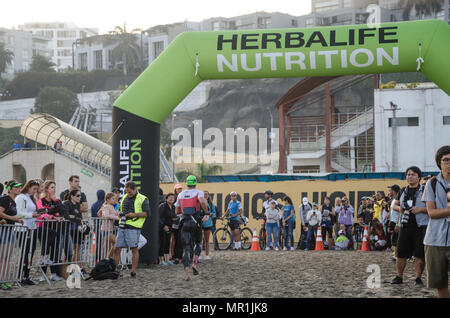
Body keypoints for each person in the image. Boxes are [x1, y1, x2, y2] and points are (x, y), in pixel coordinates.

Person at [391, 166, 429, 286]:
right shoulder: (403, 190)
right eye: (408, 174)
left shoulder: (426, 190)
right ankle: (399, 276)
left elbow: (433, 207)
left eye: (412, 174)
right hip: (405, 226)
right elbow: (394, 206)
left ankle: (418, 278)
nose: (410, 177)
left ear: (418, 176)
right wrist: (400, 209)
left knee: (419, 254)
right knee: (400, 253)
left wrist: (421, 209)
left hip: (421, 226)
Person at [422, 145, 450, 298]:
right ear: (439, 163)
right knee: (439, 283)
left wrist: (443, 211)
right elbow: (431, 213)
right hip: (435, 239)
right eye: (445, 160)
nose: (449, 163)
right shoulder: (431, 184)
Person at [112, 181, 149, 279]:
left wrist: (134, 215)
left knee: (134, 249)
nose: (128, 194)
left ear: (135, 189)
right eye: (126, 192)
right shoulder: (124, 197)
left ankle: (133, 272)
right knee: (116, 249)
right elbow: (121, 209)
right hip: (122, 226)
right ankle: (115, 271)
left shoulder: (143, 198)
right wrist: (119, 213)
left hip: (133, 227)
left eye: (130, 192)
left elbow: (146, 214)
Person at [174, 175, 208, 281]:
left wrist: (185, 210)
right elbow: (202, 202)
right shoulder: (199, 192)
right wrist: (206, 212)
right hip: (196, 222)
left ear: (187, 184)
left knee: (186, 248)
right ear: (195, 183)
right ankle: (195, 264)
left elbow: (177, 211)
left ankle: (187, 274)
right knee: (198, 243)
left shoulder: (181, 194)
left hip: (185, 222)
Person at [36, 180, 65, 282]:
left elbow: (64, 212)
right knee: (45, 251)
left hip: (56, 229)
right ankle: (43, 275)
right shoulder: (41, 200)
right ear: (47, 189)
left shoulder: (56, 200)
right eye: (52, 187)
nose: (54, 189)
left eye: (55, 187)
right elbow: (42, 213)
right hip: (44, 229)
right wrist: (54, 216)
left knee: (55, 252)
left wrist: (56, 201)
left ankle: (54, 274)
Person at [15, 180, 41, 285]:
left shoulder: (31, 198)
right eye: (34, 189)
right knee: (25, 252)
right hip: (22, 229)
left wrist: (37, 214)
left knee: (31, 251)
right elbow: (18, 213)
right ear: (28, 187)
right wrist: (32, 215)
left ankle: (26, 276)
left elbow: (31, 212)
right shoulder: (21, 197)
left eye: (36, 189)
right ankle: (19, 277)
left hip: (32, 228)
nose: (35, 191)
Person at [0, 181, 24, 290]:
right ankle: (1, 281)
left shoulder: (12, 201)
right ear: (10, 189)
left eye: (20, 187)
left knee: (7, 257)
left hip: (9, 230)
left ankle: (4, 280)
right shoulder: (5, 199)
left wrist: (17, 219)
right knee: (3, 257)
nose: (19, 188)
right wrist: (13, 218)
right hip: (4, 231)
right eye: (17, 187)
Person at [61, 189, 88, 275]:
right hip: (69, 229)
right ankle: (65, 269)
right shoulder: (67, 203)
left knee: (77, 249)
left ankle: (76, 268)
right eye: (78, 195)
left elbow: (78, 217)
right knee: (69, 251)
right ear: (72, 196)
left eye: (80, 195)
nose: (80, 197)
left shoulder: (77, 205)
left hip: (78, 229)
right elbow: (66, 216)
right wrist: (75, 218)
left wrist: (76, 219)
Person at [98, 192, 119, 259]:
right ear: (108, 199)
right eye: (113, 199)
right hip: (105, 230)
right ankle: (104, 260)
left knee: (108, 247)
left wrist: (119, 214)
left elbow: (114, 214)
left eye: (114, 199)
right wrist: (117, 217)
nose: (114, 200)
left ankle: (107, 259)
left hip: (110, 230)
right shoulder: (106, 206)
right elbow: (106, 215)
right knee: (113, 244)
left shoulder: (111, 206)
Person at [158, 193, 176, 265]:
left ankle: (167, 260)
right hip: (162, 227)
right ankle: (161, 260)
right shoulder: (162, 206)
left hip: (170, 227)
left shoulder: (173, 207)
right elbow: (158, 217)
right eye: (170, 197)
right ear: (166, 198)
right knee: (162, 243)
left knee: (167, 243)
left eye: (173, 198)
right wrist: (163, 226)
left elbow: (173, 216)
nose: (172, 199)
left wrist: (175, 218)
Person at [387, 185, 401, 261]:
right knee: (394, 239)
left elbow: (400, 213)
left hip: (396, 222)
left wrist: (397, 224)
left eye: (390, 190)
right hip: (393, 221)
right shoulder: (393, 200)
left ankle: (397, 255)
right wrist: (389, 224)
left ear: (394, 191)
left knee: (396, 240)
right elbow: (391, 213)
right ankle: (395, 254)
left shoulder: (398, 200)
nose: (389, 192)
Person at [170, 184, 184, 264]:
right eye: (178, 189)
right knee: (173, 238)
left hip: (181, 219)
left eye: (180, 189)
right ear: (175, 190)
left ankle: (178, 255)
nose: (179, 190)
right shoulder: (173, 198)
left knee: (179, 238)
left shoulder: (182, 197)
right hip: (175, 220)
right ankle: (172, 254)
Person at [201, 190, 216, 259]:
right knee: (199, 240)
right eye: (204, 194)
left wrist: (211, 214)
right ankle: (199, 255)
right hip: (200, 223)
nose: (205, 195)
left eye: (207, 194)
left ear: (208, 195)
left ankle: (207, 255)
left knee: (206, 240)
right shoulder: (199, 203)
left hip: (208, 223)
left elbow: (214, 213)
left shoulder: (211, 203)